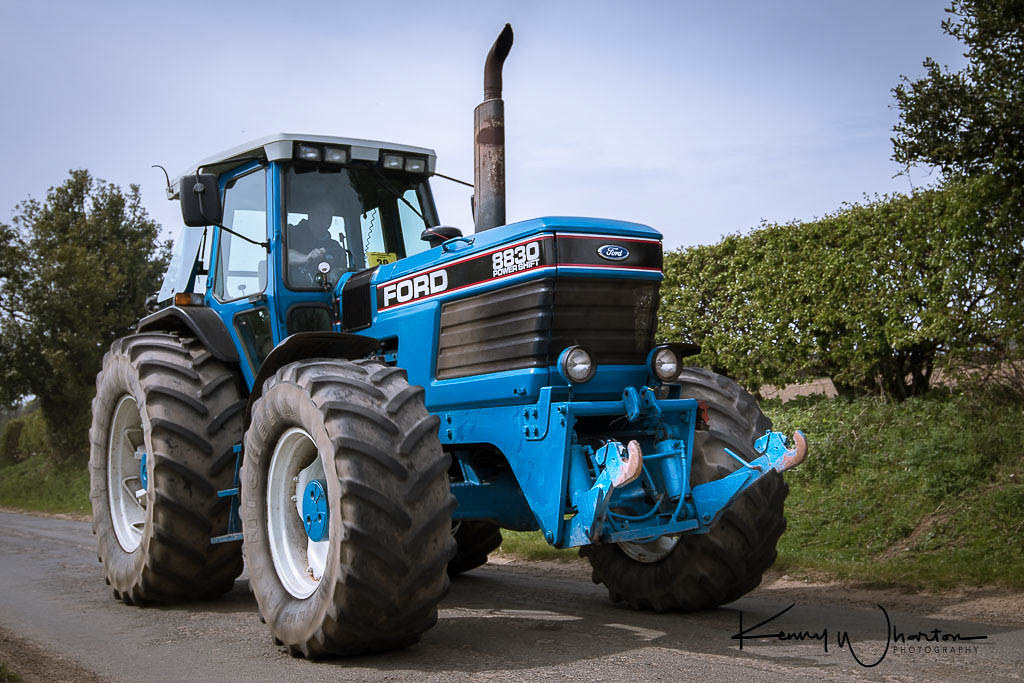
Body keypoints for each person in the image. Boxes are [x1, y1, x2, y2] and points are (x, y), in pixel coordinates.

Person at [287, 206, 348, 283]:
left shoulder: (335, 247)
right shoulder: (292, 233)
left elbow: (342, 274)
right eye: (321, 213)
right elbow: (282, 254)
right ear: (310, 215)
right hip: (293, 288)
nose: (325, 219)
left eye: (329, 216)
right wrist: (307, 258)